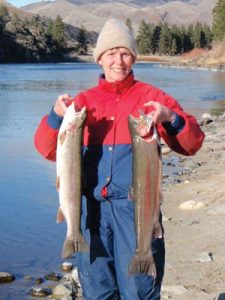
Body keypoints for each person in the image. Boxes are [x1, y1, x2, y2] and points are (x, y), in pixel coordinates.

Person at [34, 18, 205, 300]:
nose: (118, 61)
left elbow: (192, 144)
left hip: (137, 211)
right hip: (93, 214)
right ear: (100, 59)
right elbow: (47, 149)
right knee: (98, 291)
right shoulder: (83, 102)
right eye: (111, 54)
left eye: (125, 53)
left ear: (133, 58)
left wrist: (170, 118)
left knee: (138, 291)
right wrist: (55, 116)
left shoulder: (152, 98)